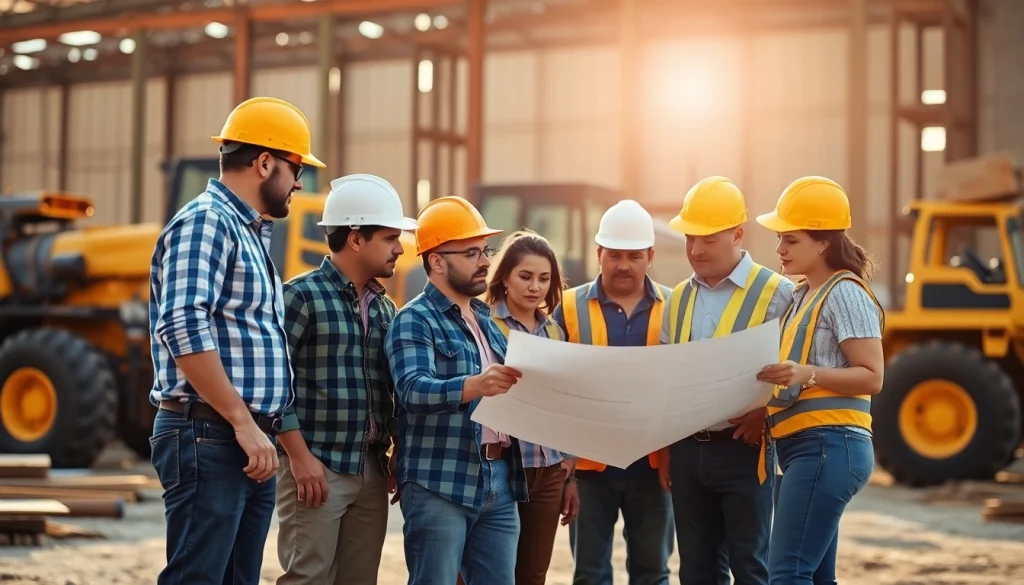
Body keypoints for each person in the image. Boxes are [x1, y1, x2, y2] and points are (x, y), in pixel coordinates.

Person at [148, 96, 324, 585]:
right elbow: (182, 324)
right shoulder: (208, 222)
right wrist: (243, 423)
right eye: (295, 169)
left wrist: (256, 430)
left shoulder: (249, 233)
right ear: (264, 162)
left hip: (243, 438)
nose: (298, 183)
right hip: (210, 434)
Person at [274, 174, 418, 585]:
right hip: (315, 468)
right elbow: (275, 387)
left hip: (370, 470)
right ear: (356, 239)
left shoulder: (387, 310)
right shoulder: (300, 297)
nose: (400, 248)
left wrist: (392, 453)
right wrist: (299, 459)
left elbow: (389, 390)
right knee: (309, 577)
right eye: (390, 238)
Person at [384, 195, 529, 585]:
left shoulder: (485, 319)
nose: (485, 261)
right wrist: (476, 385)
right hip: (439, 483)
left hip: (498, 477)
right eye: (471, 252)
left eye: (485, 250)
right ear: (436, 261)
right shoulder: (414, 320)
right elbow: (412, 390)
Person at [656, 177, 794, 585]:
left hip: (745, 450)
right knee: (697, 570)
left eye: (708, 240)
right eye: (689, 239)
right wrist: (667, 448)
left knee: (751, 565)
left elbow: (800, 370)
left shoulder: (779, 293)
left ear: (738, 235)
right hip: (687, 451)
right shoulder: (678, 297)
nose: (695, 250)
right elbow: (669, 375)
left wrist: (768, 413)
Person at [754, 176, 885, 585]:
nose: (779, 249)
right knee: (815, 576)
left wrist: (806, 374)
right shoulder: (801, 296)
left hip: (829, 446)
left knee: (788, 573)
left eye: (790, 240)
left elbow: (873, 376)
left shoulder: (844, 293)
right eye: (780, 239)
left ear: (824, 242)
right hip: (803, 451)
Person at [551, 199, 675, 585]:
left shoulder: (676, 305)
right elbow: (554, 387)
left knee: (652, 573)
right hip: (589, 470)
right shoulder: (568, 308)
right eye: (615, 255)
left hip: (654, 467)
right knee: (589, 574)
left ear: (650, 256)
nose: (624, 264)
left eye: (634, 256)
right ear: (599, 253)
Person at [483, 229, 581, 585]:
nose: (534, 287)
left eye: (544, 279)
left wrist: (569, 469)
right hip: (502, 468)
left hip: (549, 470)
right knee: (488, 571)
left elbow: (564, 404)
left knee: (533, 575)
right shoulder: (483, 324)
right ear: (504, 277)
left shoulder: (554, 332)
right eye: (525, 276)